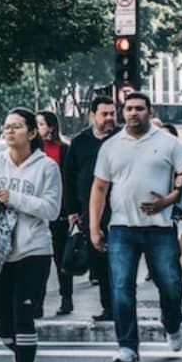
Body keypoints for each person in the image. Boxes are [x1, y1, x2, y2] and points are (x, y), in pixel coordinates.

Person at [89, 92, 182, 362]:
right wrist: (94, 227)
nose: (133, 113)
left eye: (139, 108)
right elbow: (99, 188)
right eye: (128, 108)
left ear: (150, 112)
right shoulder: (111, 146)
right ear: (123, 112)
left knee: (171, 284)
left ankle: (172, 324)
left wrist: (171, 196)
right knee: (121, 288)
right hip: (121, 228)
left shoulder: (168, 142)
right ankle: (127, 345)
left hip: (159, 228)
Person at [0, 108, 62, 362]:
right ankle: (25, 355)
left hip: (34, 250)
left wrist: (13, 197)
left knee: (23, 318)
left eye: (16, 126)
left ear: (32, 132)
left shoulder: (47, 167)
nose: (9, 131)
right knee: (3, 328)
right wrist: (11, 200)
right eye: (6, 126)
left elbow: (51, 209)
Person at [62, 95, 119, 322]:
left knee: (120, 263)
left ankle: (121, 308)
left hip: (120, 209)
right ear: (93, 115)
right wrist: (72, 211)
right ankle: (108, 307)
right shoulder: (80, 142)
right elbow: (69, 177)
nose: (109, 118)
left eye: (112, 113)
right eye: (104, 114)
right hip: (90, 211)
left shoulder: (122, 138)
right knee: (100, 263)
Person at [35, 110, 72, 317]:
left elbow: (68, 181)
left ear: (50, 127)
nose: (38, 128)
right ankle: (37, 303)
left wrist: (70, 210)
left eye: (41, 124)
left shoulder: (63, 149)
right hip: (36, 210)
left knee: (61, 258)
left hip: (59, 211)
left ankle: (66, 298)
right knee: (38, 259)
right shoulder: (32, 150)